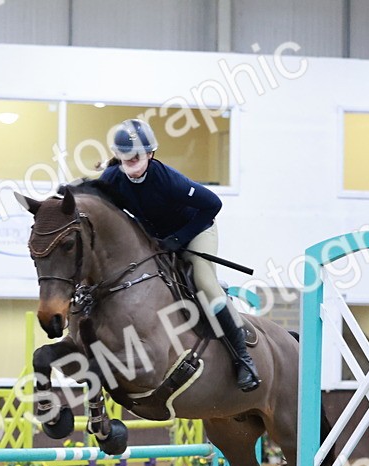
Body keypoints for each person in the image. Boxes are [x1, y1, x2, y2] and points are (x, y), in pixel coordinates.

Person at [95, 118, 260, 392]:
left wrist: (179, 238)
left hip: (196, 231)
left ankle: (244, 360)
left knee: (204, 282)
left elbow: (213, 204)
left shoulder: (168, 180)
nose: (131, 163)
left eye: (136, 157)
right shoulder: (111, 179)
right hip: (157, 239)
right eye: (125, 158)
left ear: (150, 154)